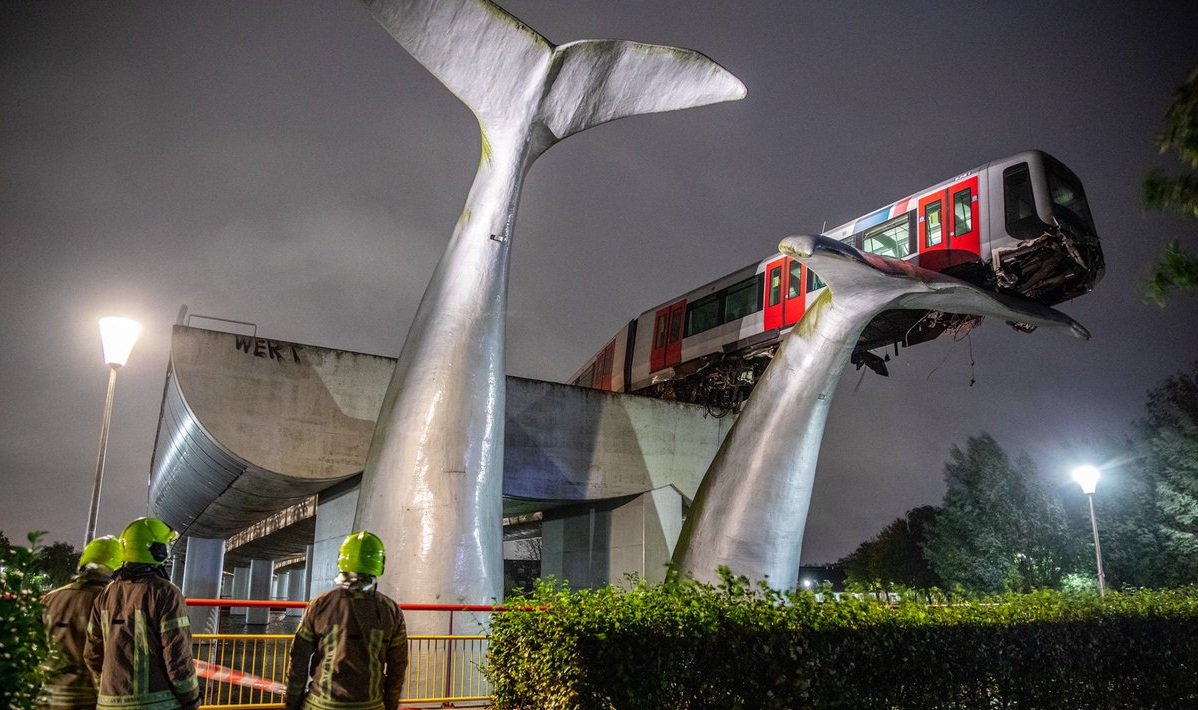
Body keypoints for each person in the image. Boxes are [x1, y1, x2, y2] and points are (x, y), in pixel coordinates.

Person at [84, 517, 200, 710]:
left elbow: (91, 654)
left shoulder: (106, 594)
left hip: (107, 703)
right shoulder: (165, 592)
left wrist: (110, 688)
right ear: (156, 550)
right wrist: (191, 699)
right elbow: (177, 656)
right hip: (157, 704)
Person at [285, 531, 408, 710]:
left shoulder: (320, 604)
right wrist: (389, 705)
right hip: (370, 705)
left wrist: (293, 703)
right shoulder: (392, 611)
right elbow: (398, 667)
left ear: (341, 561)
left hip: (321, 704)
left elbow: (298, 659)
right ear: (379, 565)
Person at [37, 536, 122, 710]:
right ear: (117, 569)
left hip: (49, 694)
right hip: (90, 697)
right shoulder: (114, 603)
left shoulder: (51, 598)